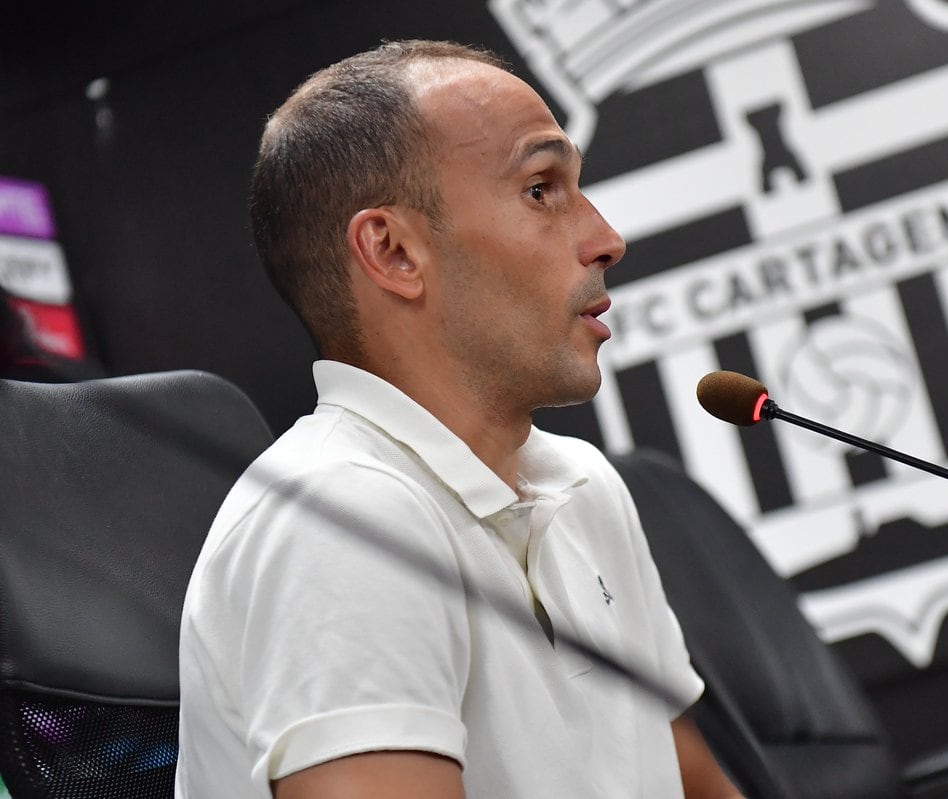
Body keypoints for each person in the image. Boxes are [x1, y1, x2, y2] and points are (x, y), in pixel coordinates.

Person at [175, 40, 743, 799]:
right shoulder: (338, 517)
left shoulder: (584, 484)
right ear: (394, 251)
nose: (606, 238)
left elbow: (692, 784)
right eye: (542, 190)